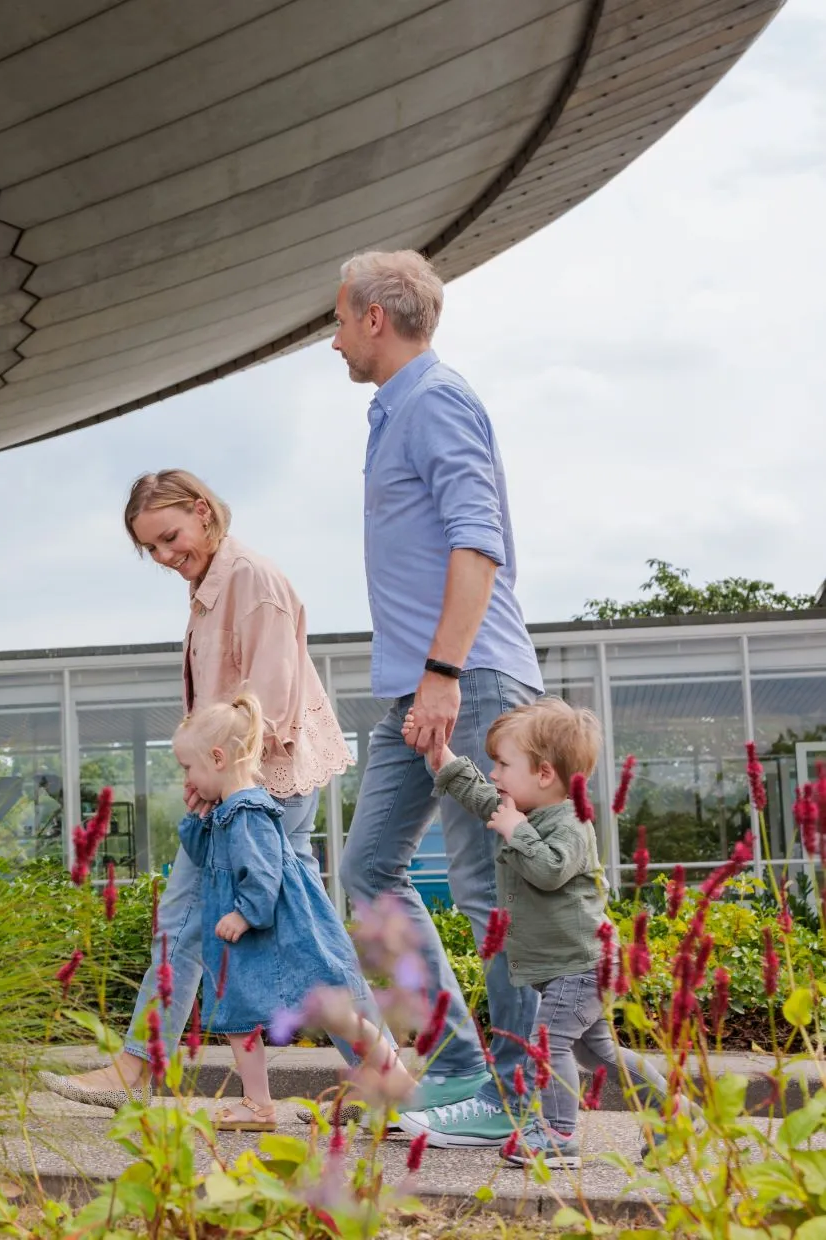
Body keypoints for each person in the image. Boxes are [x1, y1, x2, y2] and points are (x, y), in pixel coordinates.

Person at [38, 470, 351, 1108]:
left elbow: (266, 702)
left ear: (203, 510)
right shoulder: (214, 584)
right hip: (247, 782)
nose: (163, 556)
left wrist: (218, 783)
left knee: (191, 923)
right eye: (150, 549)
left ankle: (136, 1070)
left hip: (258, 785)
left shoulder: (250, 582)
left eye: (168, 537)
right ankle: (391, 1073)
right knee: (303, 932)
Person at [330, 249, 546, 1146]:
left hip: (469, 678)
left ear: (374, 317)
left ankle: (516, 1095)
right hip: (414, 687)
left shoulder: (435, 398)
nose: (331, 336)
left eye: (338, 318)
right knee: (368, 868)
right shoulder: (394, 412)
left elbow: (476, 540)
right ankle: (459, 1063)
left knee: (486, 884)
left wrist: (445, 676)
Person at [411, 699, 687, 1166]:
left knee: (549, 1043)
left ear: (543, 774)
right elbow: (483, 799)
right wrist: (444, 761)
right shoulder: (525, 808)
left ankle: (558, 1136)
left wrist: (517, 832)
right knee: (598, 1052)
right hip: (572, 967)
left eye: (502, 764)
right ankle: (673, 1111)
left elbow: (550, 870)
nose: (494, 774)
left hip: (585, 965)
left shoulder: (571, 823)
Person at [171, 695, 413, 1130]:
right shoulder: (227, 812)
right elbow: (210, 857)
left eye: (188, 768)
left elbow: (264, 876)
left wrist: (246, 914)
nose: (186, 778)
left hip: (281, 934)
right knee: (239, 1017)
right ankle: (258, 1104)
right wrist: (196, 818)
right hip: (254, 940)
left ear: (218, 757)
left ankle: (399, 1084)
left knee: (332, 1009)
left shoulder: (249, 813)